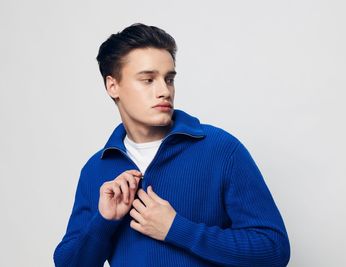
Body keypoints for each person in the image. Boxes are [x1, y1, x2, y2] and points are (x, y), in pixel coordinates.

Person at [53, 23, 290, 267]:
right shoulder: (96, 169)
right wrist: (103, 221)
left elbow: (274, 249)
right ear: (113, 86)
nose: (164, 91)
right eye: (148, 80)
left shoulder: (221, 150)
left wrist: (177, 229)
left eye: (169, 79)